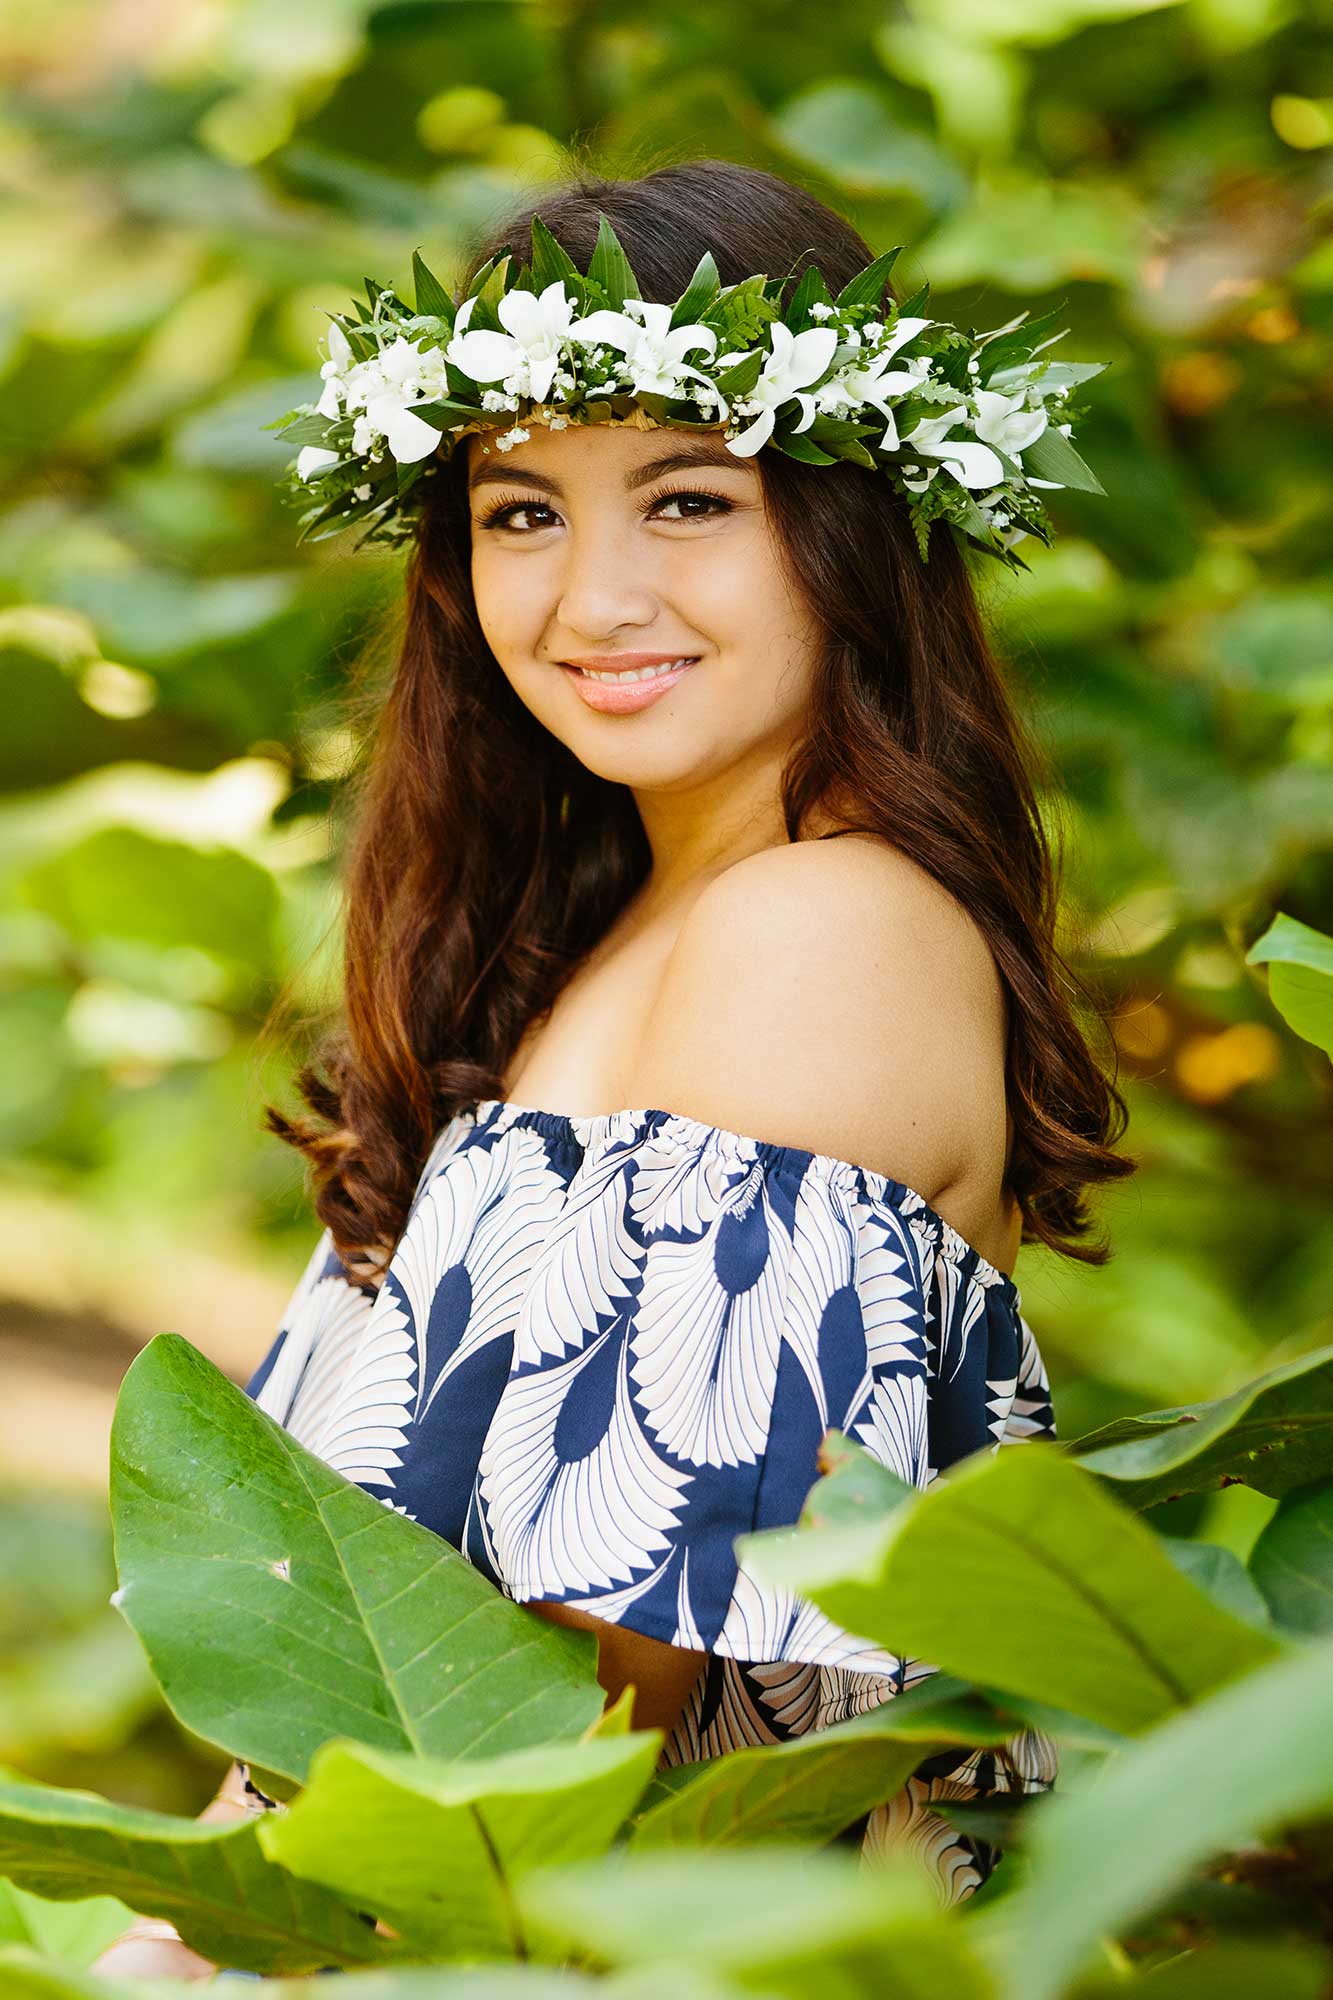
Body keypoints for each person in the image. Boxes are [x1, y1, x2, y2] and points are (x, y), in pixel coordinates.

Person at [93, 155, 1134, 1981]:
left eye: (684, 499)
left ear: (845, 526)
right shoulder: (588, 946)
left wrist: (236, 1956)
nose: (589, 600)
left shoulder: (825, 924)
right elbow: (385, 1648)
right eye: (518, 513)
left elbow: (607, 1658)